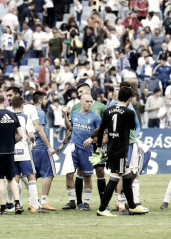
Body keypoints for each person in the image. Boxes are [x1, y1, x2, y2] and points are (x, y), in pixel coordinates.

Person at [57, 83, 107, 210]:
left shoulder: (95, 116)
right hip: (73, 148)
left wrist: (91, 138)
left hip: (87, 150)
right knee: (69, 174)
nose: (90, 103)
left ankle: (86, 203)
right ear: (81, 102)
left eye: (91, 101)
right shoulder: (74, 113)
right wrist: (63, 144)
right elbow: (70, 129)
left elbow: (101, 132)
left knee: (87, 176)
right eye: (87, 101)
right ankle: (72, 201)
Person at [95, 87, 140, 217]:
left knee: (126, 176)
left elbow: (102, 128)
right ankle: (102, 208)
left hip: (111, 147)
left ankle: (131, 205)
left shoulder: (108, 110)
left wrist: (99, 146)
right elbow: (132, 127)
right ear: (129, 99)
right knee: (114, 178)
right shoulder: (129, 112)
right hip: (121, 149)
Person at [0, 90, 23, 215]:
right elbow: (20, 135)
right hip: (10, 152)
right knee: (11, 179)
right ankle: (17, 204)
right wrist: (12, 143)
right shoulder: (13, 115)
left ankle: (3, 208)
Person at [10, 96, 47, 213]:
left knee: (15, 179)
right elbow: (31, 135)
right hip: (24, 152)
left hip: (12, 152)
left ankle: (17, 205)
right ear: (22, 106)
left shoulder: (9, 117)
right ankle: (35, 206)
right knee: (31, 177)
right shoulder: (25, 117)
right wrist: (33, 142)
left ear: (11, 106)